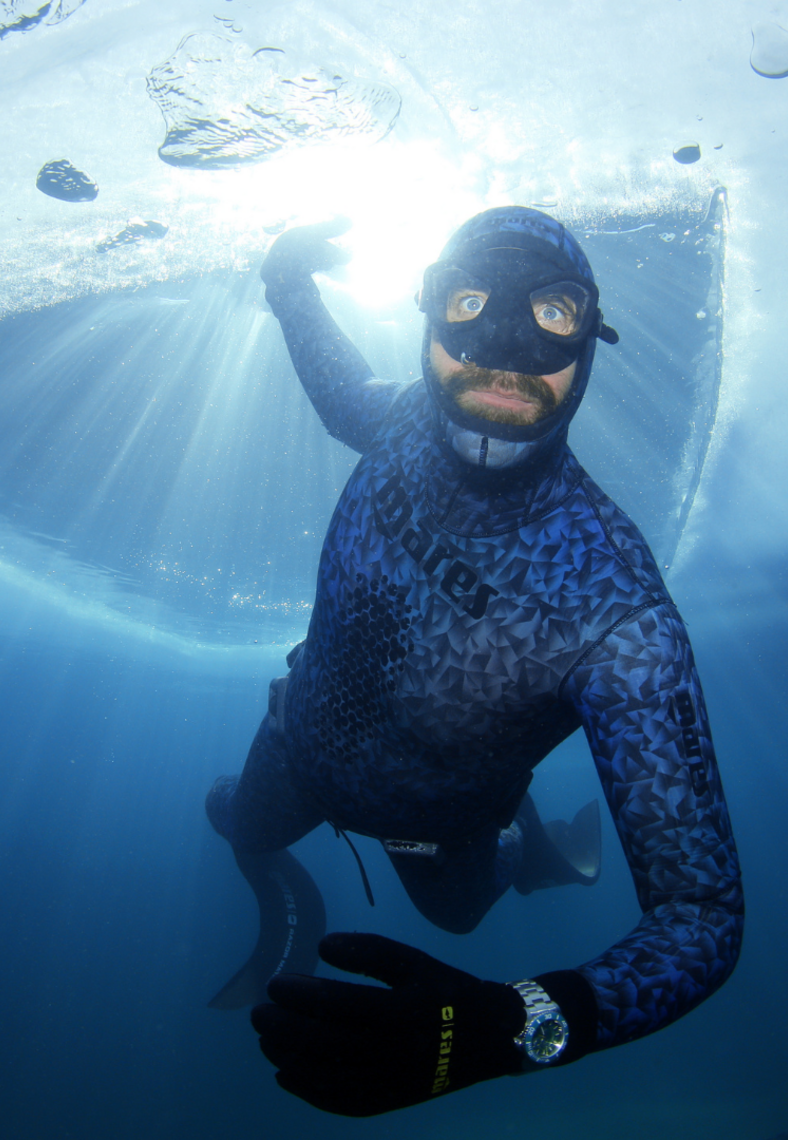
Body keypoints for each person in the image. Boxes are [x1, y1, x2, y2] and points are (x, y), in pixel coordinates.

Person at [205, 207, 743, 1117]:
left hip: (442, 830)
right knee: (234, 824)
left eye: (552, 314)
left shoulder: (617, 615)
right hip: (296, 741)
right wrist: (287, 284)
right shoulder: (403, 424)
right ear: (429, 315)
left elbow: (704, 917)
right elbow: (338, 390)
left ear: (589, 338)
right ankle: (340, 879)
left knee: (456, 915)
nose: (505, 349)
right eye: (470, 302)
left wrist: (512, 1026)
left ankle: (529, 852)